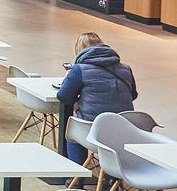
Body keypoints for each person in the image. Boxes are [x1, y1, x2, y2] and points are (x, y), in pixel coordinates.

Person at [57, 31, 138, 164]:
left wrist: (68, 78)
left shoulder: (79, 69)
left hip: (93, 128)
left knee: (74, 134)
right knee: (107, 136)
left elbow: (63, 97)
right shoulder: (126, 68)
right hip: (123, 128)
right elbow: (133, 95)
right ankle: (112, 176)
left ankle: (77, 176)